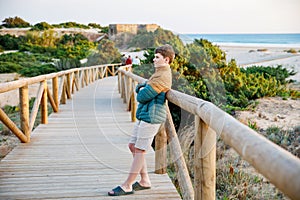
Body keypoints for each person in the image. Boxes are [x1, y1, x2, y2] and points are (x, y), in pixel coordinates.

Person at [108, 44, 175, 196]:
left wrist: (142, 89)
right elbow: (144, 88)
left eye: (157, 57)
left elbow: (142, 95)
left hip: (152, 117)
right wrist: (143, 87)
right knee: (133, 146)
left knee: (140, 150)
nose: (154, 59)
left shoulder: (163, 75)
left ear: (166, 59)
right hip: (145, 115)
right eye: (155, 56)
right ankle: (145, 181)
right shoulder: (158, 73)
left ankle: (128, 185)